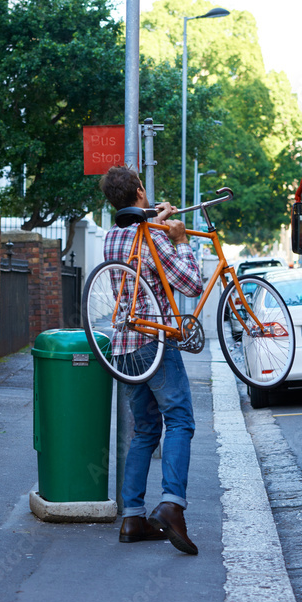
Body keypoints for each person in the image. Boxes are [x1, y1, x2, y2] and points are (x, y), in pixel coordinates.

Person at [99, 166, 203, 555]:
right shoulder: (154, 238)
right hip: (154, 342)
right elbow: (190, 283)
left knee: (144, 430)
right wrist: (178, 240)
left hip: (124, 348)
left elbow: (135, 241)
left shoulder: (112, 238)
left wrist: (155, 221)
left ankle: (133, 518)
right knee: (180, 420)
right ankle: (172, 505)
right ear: (140, 191)